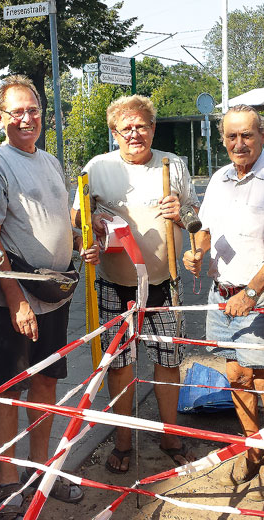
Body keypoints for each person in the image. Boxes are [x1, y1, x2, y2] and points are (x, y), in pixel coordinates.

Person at [0, 75, 98, 512]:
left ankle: (42, 470)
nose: (27, 118)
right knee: (10, 387)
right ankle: (7, 481)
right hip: (16, 299)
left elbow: (58, 216)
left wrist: (81, 231)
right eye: (17, 111)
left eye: (34, 110)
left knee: (47, 382)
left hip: (55, 296)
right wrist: (16, 301)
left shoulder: (48, 161)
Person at [71, 95, 199, 474]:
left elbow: (195, 215)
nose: (134, 133)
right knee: (121, 364)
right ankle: (123, 440)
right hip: (115, 284)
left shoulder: (172, 164)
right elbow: (79, 217)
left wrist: (182, 214)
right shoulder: (97, 167)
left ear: (153, 129)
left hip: (165, 283)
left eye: (141, 125)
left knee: (168, 361)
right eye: (125, 128)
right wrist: (87, 233)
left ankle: (171, 436)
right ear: (114, 133)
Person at [183, 104, 264, 501]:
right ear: (223, 139)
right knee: (236, 376)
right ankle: (253, 448)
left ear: (262, 136)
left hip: (262, 296)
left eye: (247, 135)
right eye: (231, 136)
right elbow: (206, 228)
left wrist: (252, 291)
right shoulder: (218, 177)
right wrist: (195, 253)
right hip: (224, 296)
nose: (239, 143)